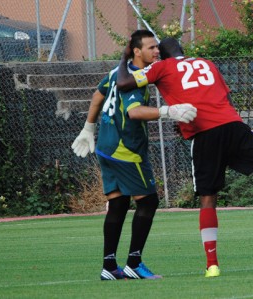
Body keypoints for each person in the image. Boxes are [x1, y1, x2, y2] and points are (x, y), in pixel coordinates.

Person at [116, 37, 253, 278]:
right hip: (233, 124)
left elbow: (124, 83)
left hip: (205, 135)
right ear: (183, 50)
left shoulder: (162, 67)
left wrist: (124, 57)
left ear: (163, 54)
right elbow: (226, 98)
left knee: (208, 198)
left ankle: (212, 264)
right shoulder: (207, 64)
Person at [71, 31, 197, 281]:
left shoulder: (116, 73)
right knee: (148, 202)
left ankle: (109, 267)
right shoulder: (136, 79)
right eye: (151, 47)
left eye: (156, 47)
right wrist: (168, 111)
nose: (156, 51)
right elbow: (135, 112)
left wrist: (89, 128)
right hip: (125, 151)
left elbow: (98, 95)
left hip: (106, 149)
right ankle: (134, 263)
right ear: (136, 51)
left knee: (117, 204)